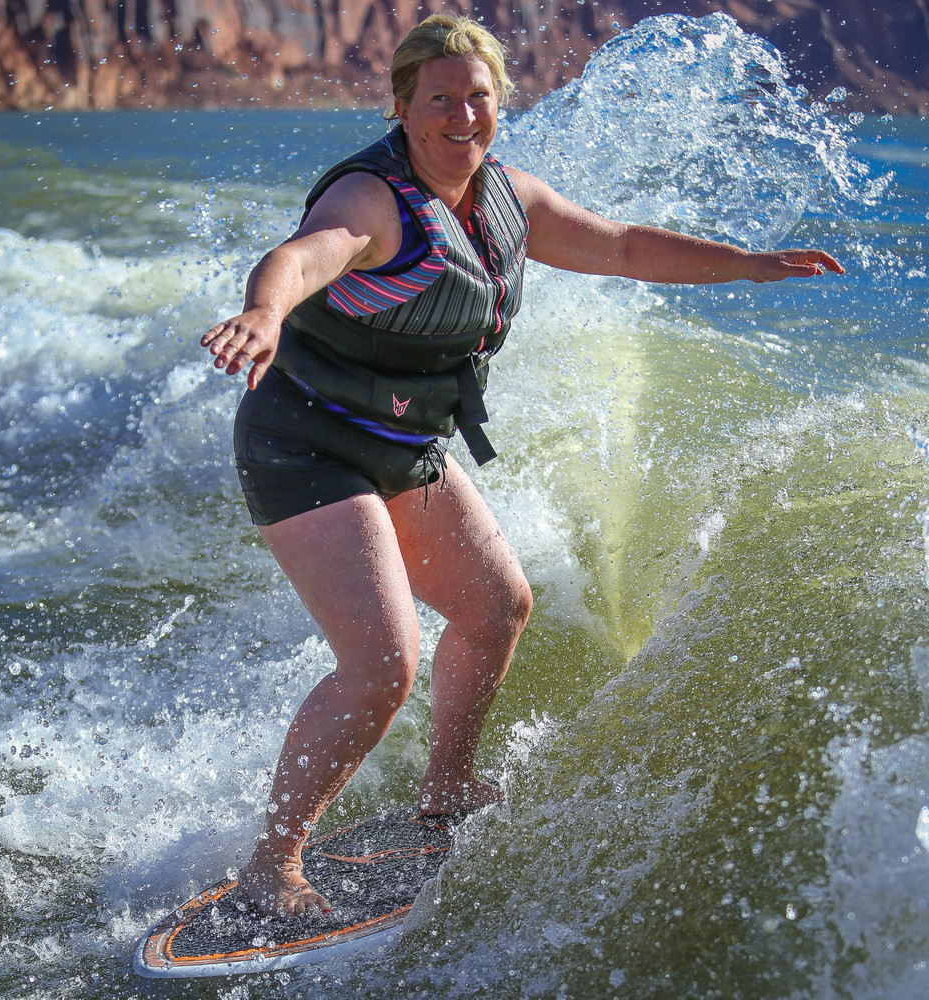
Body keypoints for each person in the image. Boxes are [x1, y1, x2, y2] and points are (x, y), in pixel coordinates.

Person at [200, 13, 843, 919]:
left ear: (500, 101)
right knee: (382, 664)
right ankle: (273, 863)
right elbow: (308, 255)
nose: (462, 116)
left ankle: (446, 786)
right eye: (440, 100)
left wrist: (746, 265)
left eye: (478, 97)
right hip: (304, 442)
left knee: (496, 606)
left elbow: (623, 247)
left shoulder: (508, 199)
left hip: (404, 443)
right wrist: (265, 312)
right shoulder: (372, 199)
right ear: (401, 107)